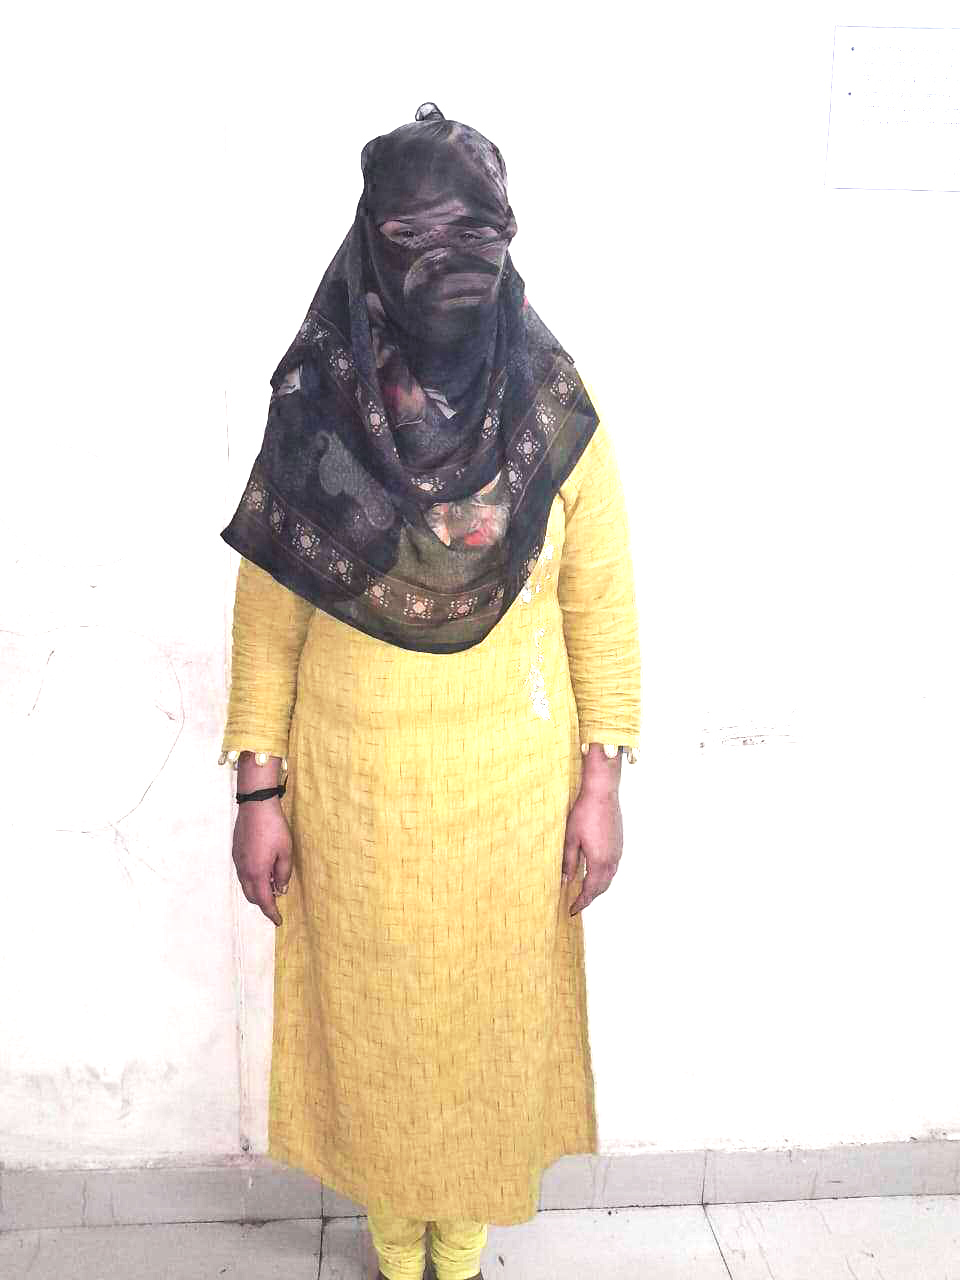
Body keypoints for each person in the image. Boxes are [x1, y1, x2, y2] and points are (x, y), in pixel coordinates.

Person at [218, 102, 641, 1280]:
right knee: (379, 1031)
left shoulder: (553, 411)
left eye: (474, 235)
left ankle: (457, 1249)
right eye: (414, 238)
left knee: (479, 1031)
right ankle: (396, 1244)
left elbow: (602, 604)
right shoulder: (318, 407)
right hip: (355, 799)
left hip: (510, 798)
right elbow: (268, 617)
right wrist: (259, 793)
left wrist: (600, 782)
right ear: (371, 243)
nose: (447, 266)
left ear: (508, 237)